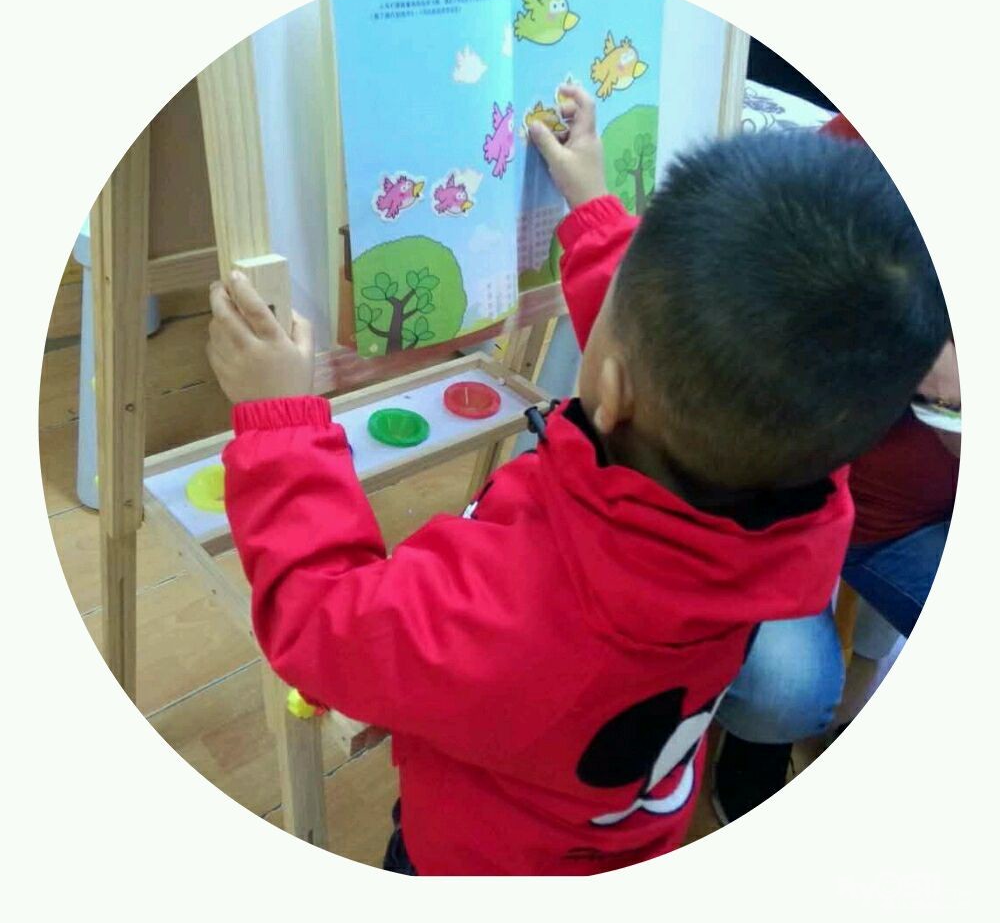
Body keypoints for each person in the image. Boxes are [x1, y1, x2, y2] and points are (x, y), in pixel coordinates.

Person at [205, 87, 948, 875]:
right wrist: (591, 207)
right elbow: (679, 358)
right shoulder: (797, 473)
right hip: (629, 830)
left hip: (477, 860)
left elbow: (319, 620)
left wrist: (280, 422)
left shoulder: (506, 611)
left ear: (617, 386)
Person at [711, 115, 960, 825]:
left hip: (904, 515)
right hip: (789, 496)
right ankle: (763, 742)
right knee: (787, 686)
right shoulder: (847, 160)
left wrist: (953, 402)